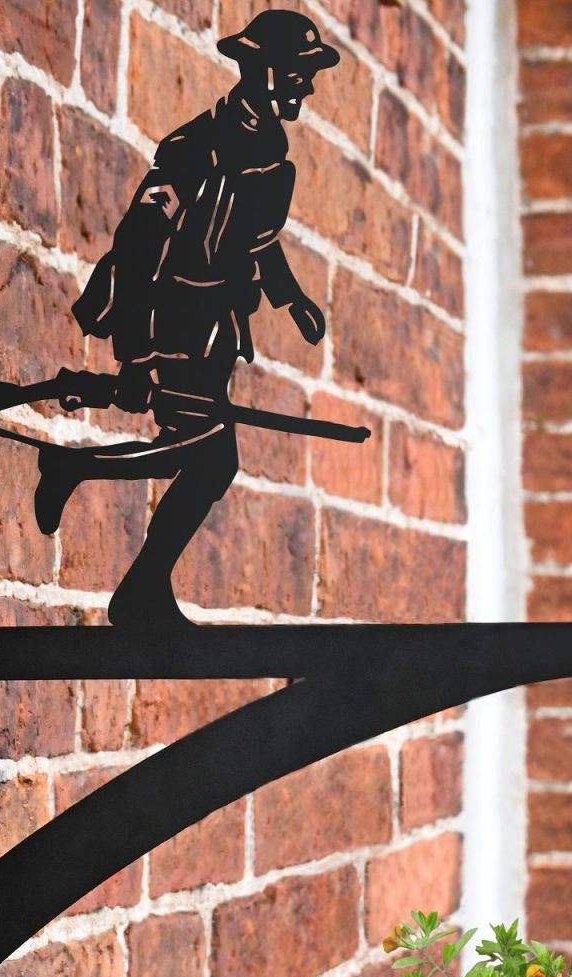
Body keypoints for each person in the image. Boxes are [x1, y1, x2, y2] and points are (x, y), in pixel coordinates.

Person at [36, 9, 340, 628]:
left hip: (214, 328)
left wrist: (289, 298)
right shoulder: (195, 146)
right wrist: (137, 354)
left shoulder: (270, 148)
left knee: (200, 457)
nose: (306, 86)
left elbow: (256, 241)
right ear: (266, 69)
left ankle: (90, 497)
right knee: (210, 458)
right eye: (300, 73)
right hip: (169, 318)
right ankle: (130, 571)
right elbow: (139, 242)